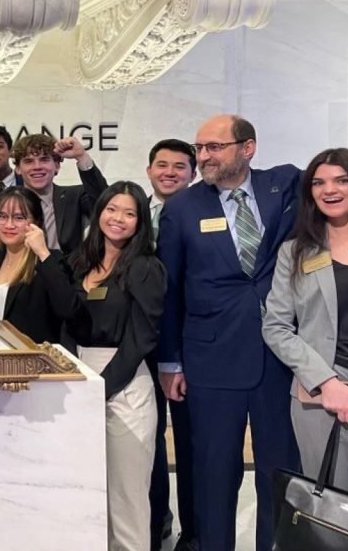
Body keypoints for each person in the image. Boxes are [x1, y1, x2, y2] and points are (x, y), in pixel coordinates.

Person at [157, 64, 348, 551]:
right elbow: (170, 290)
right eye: (200, 148)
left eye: (214, 147)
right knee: (214, 474)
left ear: (247, 148)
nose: (203, 156)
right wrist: (170, 360)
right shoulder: (182, 208)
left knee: (281, 476)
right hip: (210, 362)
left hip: (281, 366)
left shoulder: (285, 186)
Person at [39, 181, 165, 551]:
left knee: (127, 500)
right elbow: (67, 320)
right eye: (112, 209)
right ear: (99, 213)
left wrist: (99, 388)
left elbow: (141, 339)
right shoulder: (80, 261)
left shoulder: (145, 267)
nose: (118, 219)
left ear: (140, 221)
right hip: (79, 379)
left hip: (123, 385)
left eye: (129, 213)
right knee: (87, 497)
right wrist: (72, 378)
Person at [263, 148, 348, 492]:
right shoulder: (295, 251)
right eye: (319, 182)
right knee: (331, 505)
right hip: (325, 389)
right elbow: (276, 326)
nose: (330, 190)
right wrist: (325, 382)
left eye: (341, 180)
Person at [144, 139, 198, 551]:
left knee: (192, 442)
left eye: (180, 167)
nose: (170, 172)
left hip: (191, 347)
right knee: (147, 440)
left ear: (192, 174)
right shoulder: (130, 214)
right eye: (162, 165)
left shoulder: (205, 212)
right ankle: (156, 518)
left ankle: (193, 532)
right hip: (141, 348)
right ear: (149, 170)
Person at [0, 187, 71, 344]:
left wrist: (42, 254)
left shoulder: (49, 261)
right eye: (2, 216)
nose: (9, 225)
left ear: (36, 222)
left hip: (37, 361)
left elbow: (68, 309)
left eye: (19, 218)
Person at [12, 132, 108, 255]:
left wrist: (81, 156)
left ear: (57, 165)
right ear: (18, 169)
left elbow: (105, 202)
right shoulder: (8, 203)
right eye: (29, 161)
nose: (37, 167)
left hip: (65, 271)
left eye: (44, 160)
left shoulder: (74, 196)